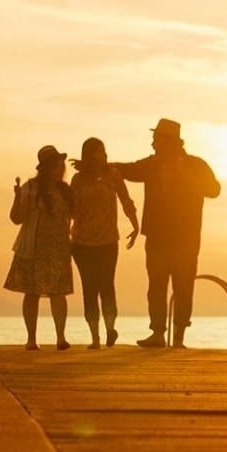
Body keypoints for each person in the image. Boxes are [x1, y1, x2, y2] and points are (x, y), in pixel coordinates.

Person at [114, 117, 220, 348]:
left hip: (186, 239)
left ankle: (179, 338)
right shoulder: (151, 165)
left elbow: (214, 190)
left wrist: (188, 177)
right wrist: (98, 165)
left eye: (156, 139)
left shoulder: (195, 165)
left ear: (168, 141)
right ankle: (158, 333)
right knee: (156, 286)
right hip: (157, 237)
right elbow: (126, 169)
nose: (152, 144)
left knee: (184, 287)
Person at [69, 137, 141, 349]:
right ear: (90, 155)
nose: (104, 155)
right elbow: (71, 211)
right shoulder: (78, 180)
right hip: (82, 243)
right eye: (100, 152)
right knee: (89, 289)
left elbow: (126, 200)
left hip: (108, 241)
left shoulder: (113, 175)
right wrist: (65, 236)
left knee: (107, 286)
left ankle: (110, 329)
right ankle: (95, 338)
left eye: (104, 151)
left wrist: (135, 226)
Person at [4, 145, 76, 351]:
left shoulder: (65, 191)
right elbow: (16, 218)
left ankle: (61, 337)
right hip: (34, 248)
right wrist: (17, 197)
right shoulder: (31, 188)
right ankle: (31, 339)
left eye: (61, 164)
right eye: (56, 164)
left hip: (59, 249)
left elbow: (73, 218)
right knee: (32, 292)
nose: (60, 168)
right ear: (47, 167)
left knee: (58, 292)